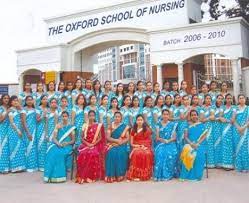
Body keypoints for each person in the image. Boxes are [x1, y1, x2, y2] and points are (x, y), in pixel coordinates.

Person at [44, 111, 75, 183]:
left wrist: (67, 143)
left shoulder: (71, 127)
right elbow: (54, 138)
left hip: (67, 146)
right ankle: (50, 176)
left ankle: (59, 177)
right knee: (50, 153)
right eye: (63, 116)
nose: (64, 118)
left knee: (59, 154)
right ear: (61, 117)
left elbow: (73, 140)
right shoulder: (58, 126)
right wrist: (58, 143)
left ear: (68, 117)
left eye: (66, 116)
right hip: (58, 144)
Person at [76, 110, 106, 183]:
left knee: (93, 153)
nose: (91, 117)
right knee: (82, 154)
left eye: (93, 115)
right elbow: (82, 137)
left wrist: (93, 144)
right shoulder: (84, 125)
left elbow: (100, 138)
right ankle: (83, 175)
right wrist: (87, 144)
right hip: (85, 144)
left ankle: (91, 176)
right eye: (90, 115)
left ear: (95, 116)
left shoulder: (98, 125)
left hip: (95, 144)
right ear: (88, 116)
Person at [179, 110, 208, 181]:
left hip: (200, 144)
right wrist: (191, 144)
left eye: (195, 115)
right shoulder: (187, 125)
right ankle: (187, 176)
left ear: (197, 116)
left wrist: (198, 143)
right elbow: (186, 137)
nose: (194, 116)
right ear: (190, 116)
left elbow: (204, 136)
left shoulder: (202, 125)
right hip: (190, 144)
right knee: (188, 152)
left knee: (199, 154)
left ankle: (196, 175)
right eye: (192, 115)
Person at [127, 115, 153, 181]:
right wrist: (138, 146)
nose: (139, 121)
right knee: (136, 154)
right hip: (136, 147)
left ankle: (145, 175)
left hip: (146, 147)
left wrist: (143, 146)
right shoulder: (133, 130)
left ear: (143, 121)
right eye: (138, 120)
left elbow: (149, 141)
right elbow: (131, 143)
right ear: (136, 121)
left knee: (147, 154)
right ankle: (135, 175)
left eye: (141, 120)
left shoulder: (147, 129)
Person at [105, 112, 130, 183]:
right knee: (111, 152)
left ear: (121, 118)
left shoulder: (125, 126)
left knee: (120, 153)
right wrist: (116, 141)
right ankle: (111, 175)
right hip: (112, 143)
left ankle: (120, 174)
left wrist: (121, 142)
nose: (117, 118)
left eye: (119, 117)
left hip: (122, 144)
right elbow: (108, 137)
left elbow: (127, 138)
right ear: (113, 117)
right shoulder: (110, 126)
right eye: (116, 116)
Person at [154, 109, 178, 181]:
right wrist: (163, 140)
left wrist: (168, 140)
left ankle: (169, 174)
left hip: (171, 143)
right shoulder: (158, 124)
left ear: (169, 115)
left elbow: (174, 137)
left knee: (171, 153)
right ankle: (159, 174)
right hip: (160, 143)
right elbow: (157, 137)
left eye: (167, 114)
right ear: (161, 115)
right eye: (164, 114)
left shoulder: (173, 124)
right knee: (160, 153)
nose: (165, 116)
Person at [8, 96, 26, 172]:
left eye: (17, 101)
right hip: (13, 131)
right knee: (14, 147)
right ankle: (14, 167)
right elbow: (12, 122)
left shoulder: (17, 110)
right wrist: (18, 130)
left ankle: (19, 167)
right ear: (11, 102)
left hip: (19, 130)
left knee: (19, 147)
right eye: (14, 101)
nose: (15, 102)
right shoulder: (10, 110)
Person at [21, 96, 38, 172]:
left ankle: (33, 166)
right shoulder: (24, 110)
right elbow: (23, 122)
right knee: (28, 147)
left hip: (34, 131)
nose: (30, 101)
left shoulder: (35, 110)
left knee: (33, 148)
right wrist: (28, 132)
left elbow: (37, 120)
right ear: (25, 101)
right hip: (27, 131)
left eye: (31, 100)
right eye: (28, 100)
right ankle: (28, 166)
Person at [233, 94, 249, 172]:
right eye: (240, 98)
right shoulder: (235, 108)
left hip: (245, 130)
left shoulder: (248, 108)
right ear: (238, 100)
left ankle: (246, 167)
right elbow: (233, 119)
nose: (241, 99)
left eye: (243, 98)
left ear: (245, 99)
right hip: (237, 130)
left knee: (245, 149)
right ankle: (239, 166)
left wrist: (243, 127)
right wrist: (238, 128)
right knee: (238, 148)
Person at [36, 95, 49, 171]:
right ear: (41, 100)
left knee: (46, 147)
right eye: (43, 99)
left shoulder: (48, 108)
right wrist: (43, 115)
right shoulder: (38, 108)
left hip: (47, 128)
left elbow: (48, 120)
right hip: (40, 129)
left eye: (46, 99)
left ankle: (45, 165)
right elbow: (37, 120)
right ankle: (40, 166)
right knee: (40, 146)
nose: (45, 100)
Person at [0, 94, 10, 173]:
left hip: (9, 129)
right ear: (2, 99)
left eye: (7, 98)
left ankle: (8, 167)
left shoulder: (10, 108)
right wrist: (7, 112)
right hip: (3, 129)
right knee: (3, 147)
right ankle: (3, 168)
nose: (6, 99)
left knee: (8, 148)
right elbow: (1, 120)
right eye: (5, 98)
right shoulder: (1, 108)